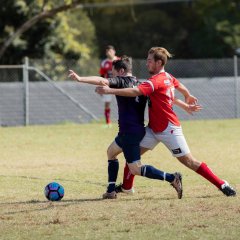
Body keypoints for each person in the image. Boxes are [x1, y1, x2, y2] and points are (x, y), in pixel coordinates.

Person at [96, 47, 237, 197]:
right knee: (132, 156)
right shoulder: (167, 77)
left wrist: (110, 91)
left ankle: (222, 184)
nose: (146, 64)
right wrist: (187, 97)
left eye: (149, 61)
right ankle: (126, 187)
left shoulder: (155, 81)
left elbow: (136, 91)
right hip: (152, 129)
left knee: (189, 162)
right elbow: (177, 88)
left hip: (169, 129)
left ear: (158, 62)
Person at [69, 56, 188, 199]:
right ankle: (111, 191)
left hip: (130, 133)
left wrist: (80, 78)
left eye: (113, 73)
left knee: (136, 169)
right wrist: (185, 105)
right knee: (111, 152)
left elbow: (102, 81)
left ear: (121, 71)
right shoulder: (141, 84)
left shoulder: (121, 81)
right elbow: (169, 97)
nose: (112, 77)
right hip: (130, 131)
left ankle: (172, 178)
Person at [99, 45, 118, 126]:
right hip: (108, 85)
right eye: (107, 51)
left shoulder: (119, 61)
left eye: (110, 51)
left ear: (114, 51)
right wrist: (101, 86)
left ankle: (124, 121)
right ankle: (108, 123)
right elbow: (102, 76)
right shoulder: (104, 63)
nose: (109, 53)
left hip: (118, 85)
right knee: (107, 103)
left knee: (122, 102)